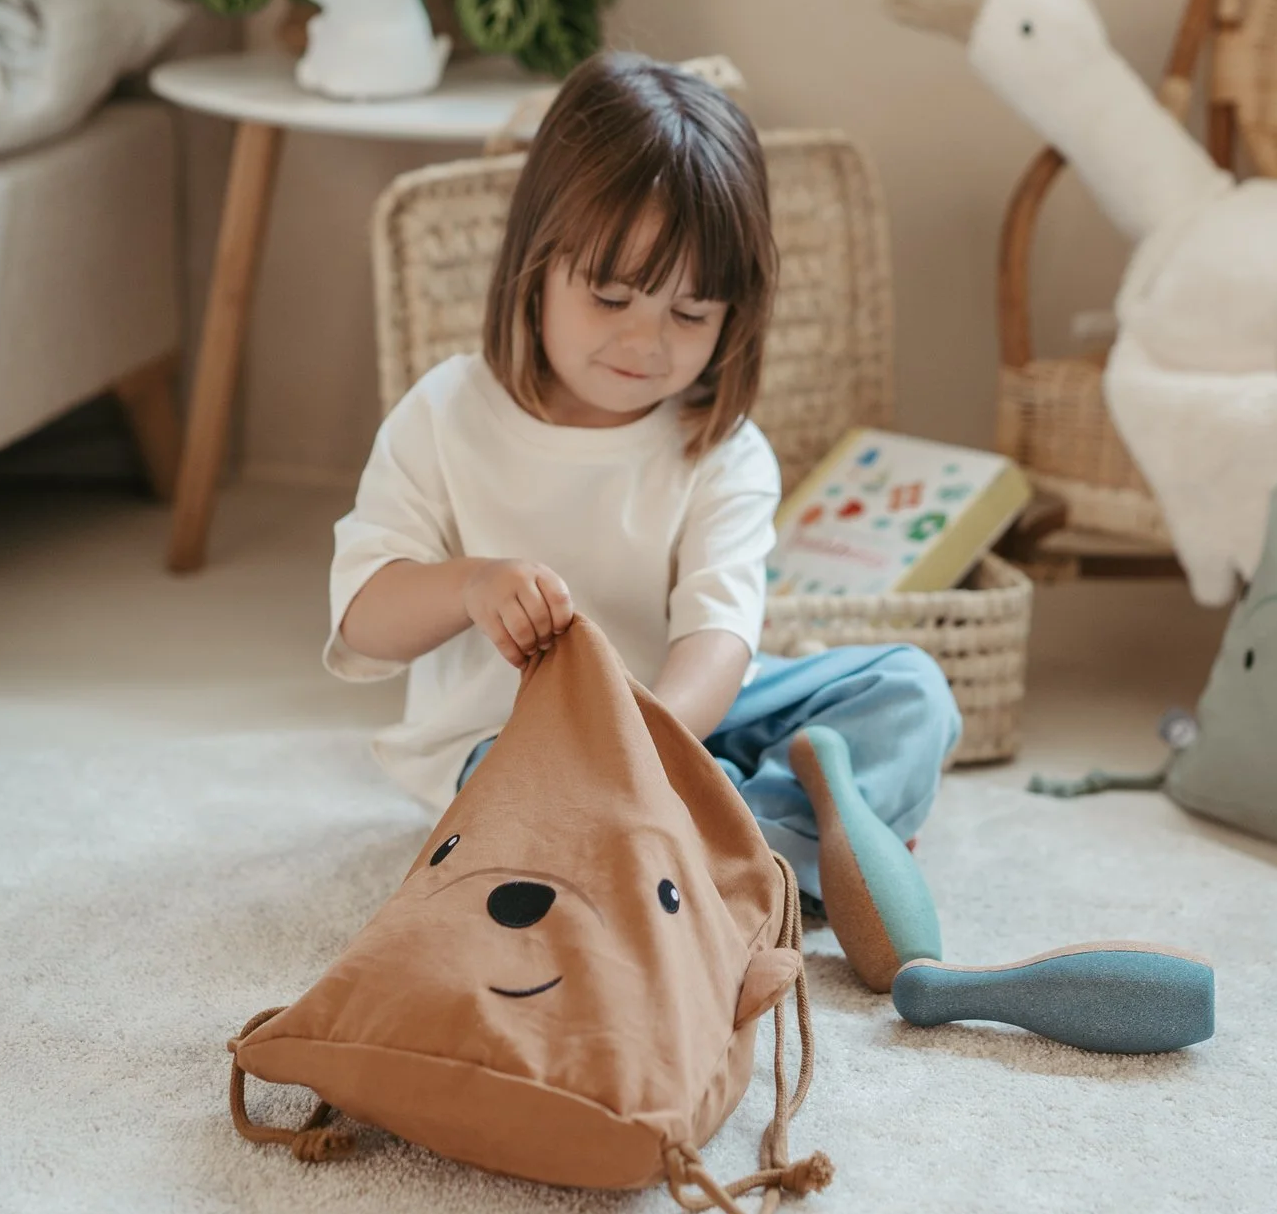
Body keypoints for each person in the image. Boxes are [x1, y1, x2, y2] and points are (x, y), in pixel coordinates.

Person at [326, 50, 959, 896]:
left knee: (909, 689)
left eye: (690, 313)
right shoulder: (444, 414)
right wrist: (471, 585)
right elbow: (364, 620)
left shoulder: (723, 449)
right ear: (535, 264)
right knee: (512, 802)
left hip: (683, 726)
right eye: (612, 297)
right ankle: (760, 851)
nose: (646, 344)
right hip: (516, 747)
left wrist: (651, 745)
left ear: (735, 313)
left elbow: (718, 639)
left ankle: (714, 846)